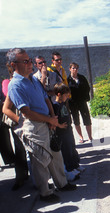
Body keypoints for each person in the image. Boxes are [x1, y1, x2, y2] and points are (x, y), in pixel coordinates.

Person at [3, 48, 76, 203]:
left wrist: (52, 117)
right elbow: (27, 112)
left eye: (29, 60)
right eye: (26, 61)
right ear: (14, 64)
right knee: (40, 160)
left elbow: (46, 99)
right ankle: (45, 193)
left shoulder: (33, 79)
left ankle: (61, 184)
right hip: (35, 126)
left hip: (47, 122)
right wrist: (49, 120)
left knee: (56, 155)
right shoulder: (15, 85)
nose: (30, 64)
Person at [1, 66, 29, 190]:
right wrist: (19, 121)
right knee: (20, 149)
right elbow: (9, 99)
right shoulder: (8, 83)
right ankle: (20, 177)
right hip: (18, 122)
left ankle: (32, 176)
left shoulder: (27, 81)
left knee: (30, 151)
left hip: (29, 119)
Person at [52, 82, 82, 181]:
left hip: (68, 130)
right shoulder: (55, 105)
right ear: (59, 94)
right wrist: (60, 125)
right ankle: (68, 170)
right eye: (66, 94)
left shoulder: (63, 103)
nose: (67, 96)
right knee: (65, 151)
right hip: (61, 133)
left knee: (71, 148)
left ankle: (73, 167)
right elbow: (54, 120)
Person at [67, 62, 92, 143]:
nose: (75, 70)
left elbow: (87, 88)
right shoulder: (67, 80)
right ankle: (81, 137)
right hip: (73, 103)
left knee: (87, 118)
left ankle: (90, 137)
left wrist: (85, 97)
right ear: (70, 69)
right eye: (73, 68)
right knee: (76, 120)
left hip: (82, 101)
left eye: (76, 68)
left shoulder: (81, 78)